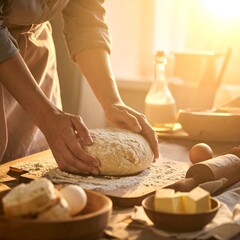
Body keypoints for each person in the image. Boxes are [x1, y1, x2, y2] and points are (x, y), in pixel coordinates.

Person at [0, 0, 159, 175]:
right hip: (7, 61)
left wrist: (112, 101)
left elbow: (84, 15)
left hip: (35, 54)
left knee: (31, 169)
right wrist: (46, 115)